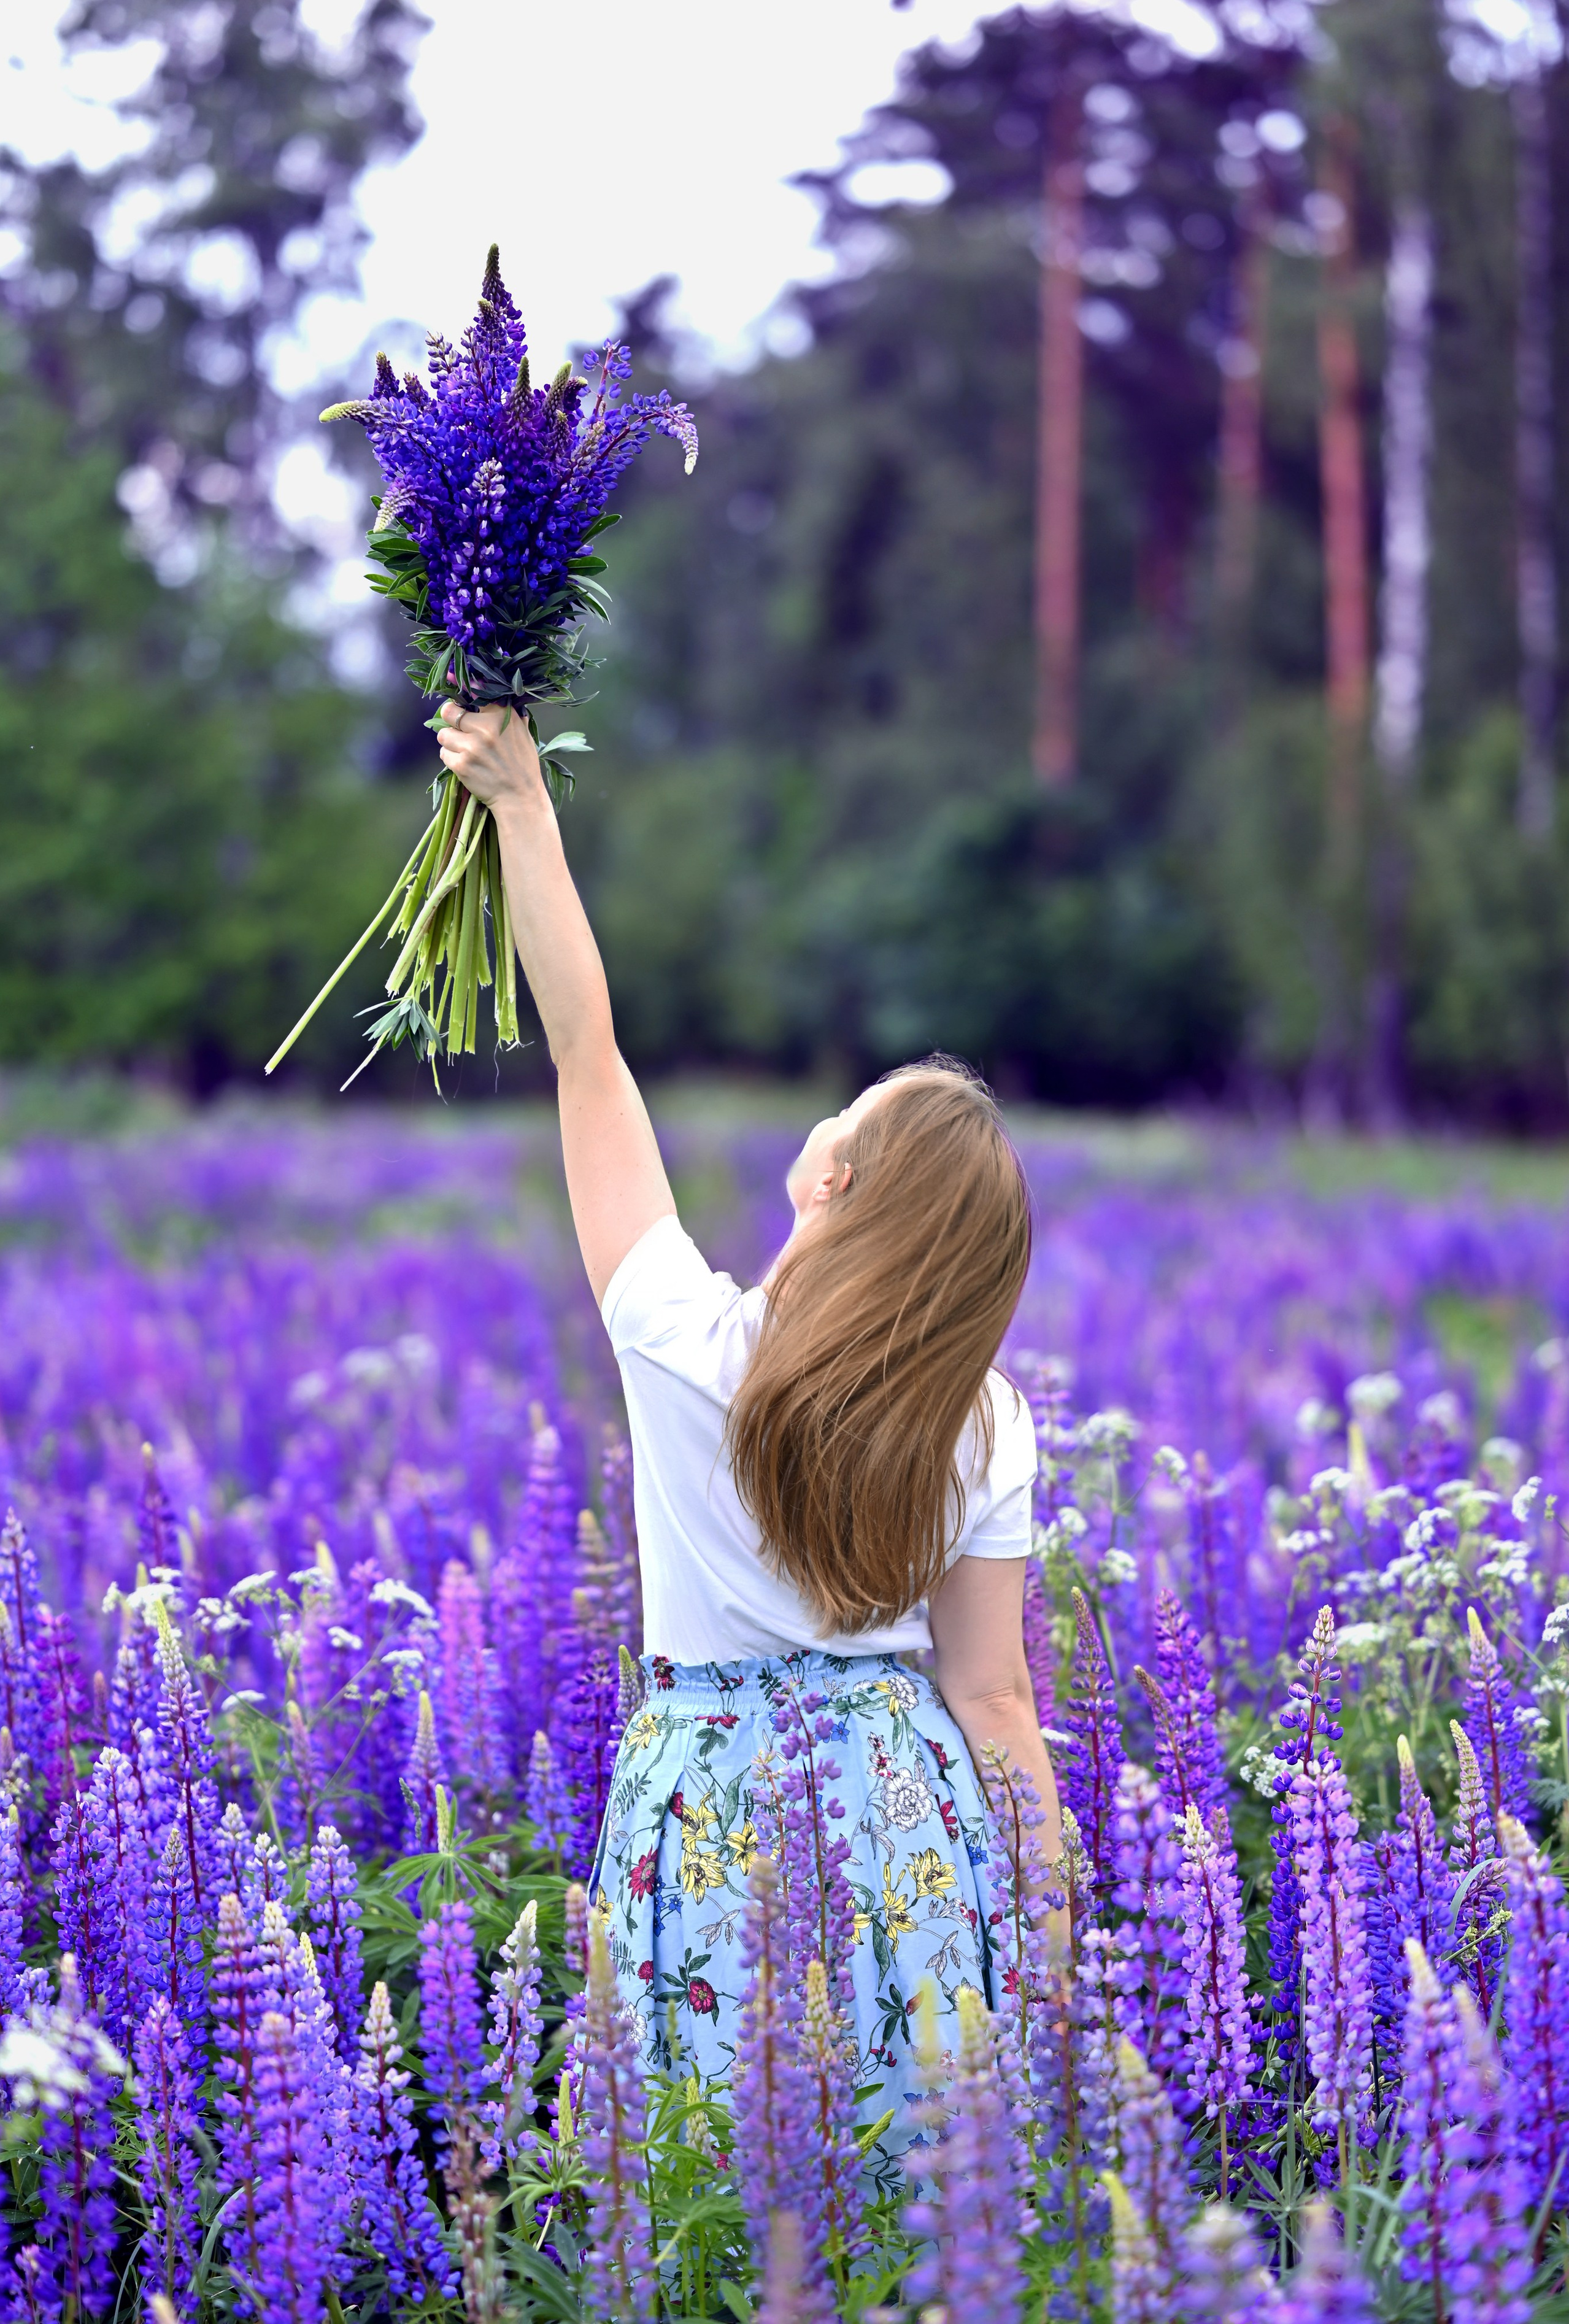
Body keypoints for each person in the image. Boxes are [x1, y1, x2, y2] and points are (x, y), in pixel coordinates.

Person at [435, 700, 1063, 2150]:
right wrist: (1050, 1948)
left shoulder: (679, 1340)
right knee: (916, 2209)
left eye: (852, 1112)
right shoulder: (985, 1423)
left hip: (704, 1808)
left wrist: (523, 808)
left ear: (832, 1184)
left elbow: (585, 1050)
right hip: (908, 1814)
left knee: (712, 2198)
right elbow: (993, 1701)